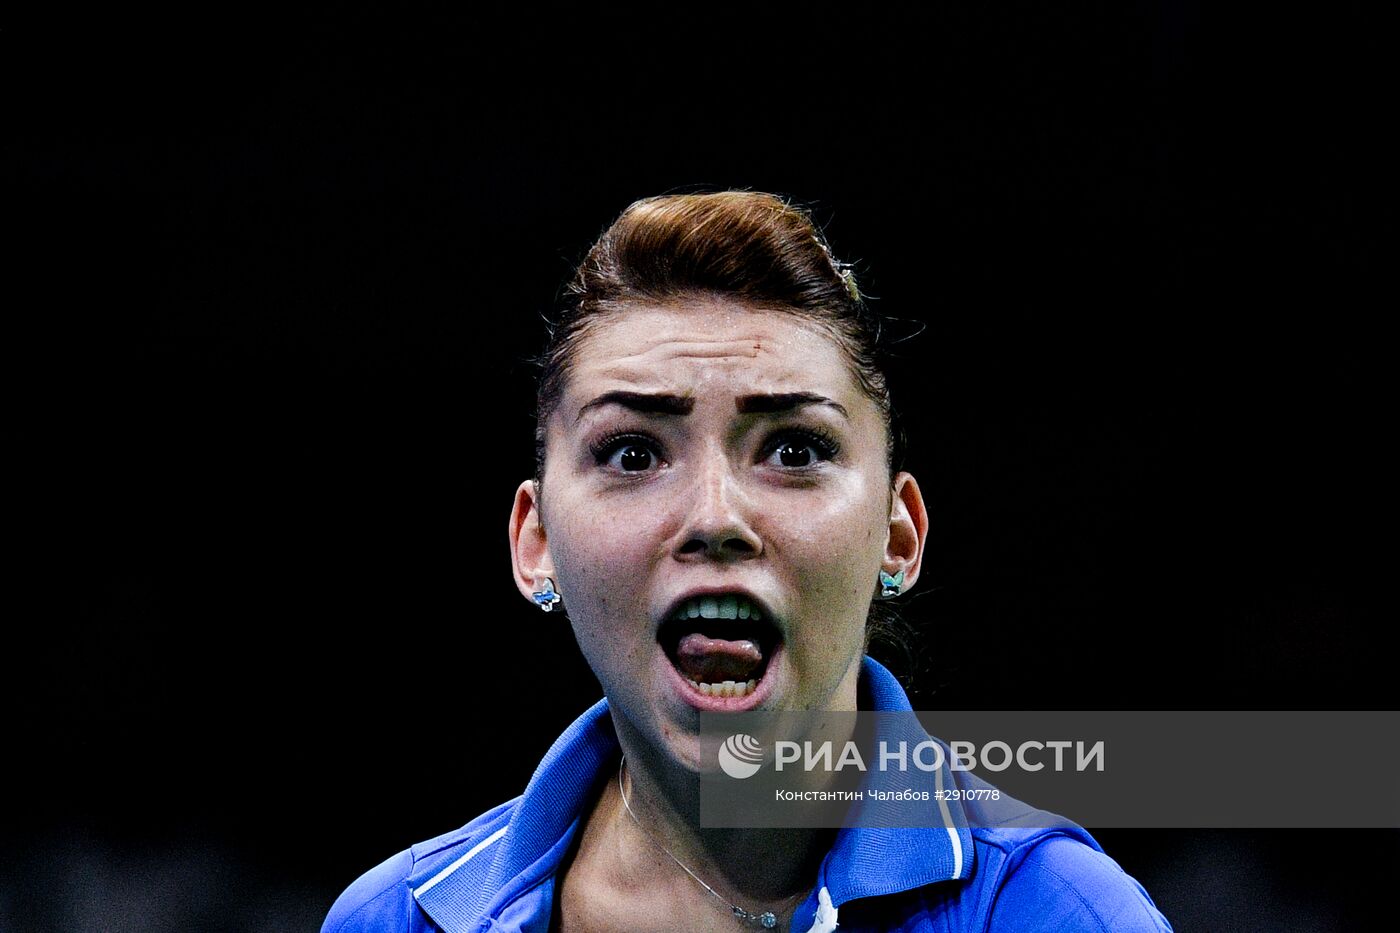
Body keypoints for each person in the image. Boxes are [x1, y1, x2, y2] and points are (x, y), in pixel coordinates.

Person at [322, 191, 1173, 932]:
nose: (714, 517)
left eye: (796, 449)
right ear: (535, 541)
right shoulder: (393, 919)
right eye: (631, 453)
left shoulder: (1055, 913)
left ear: (897, 533)